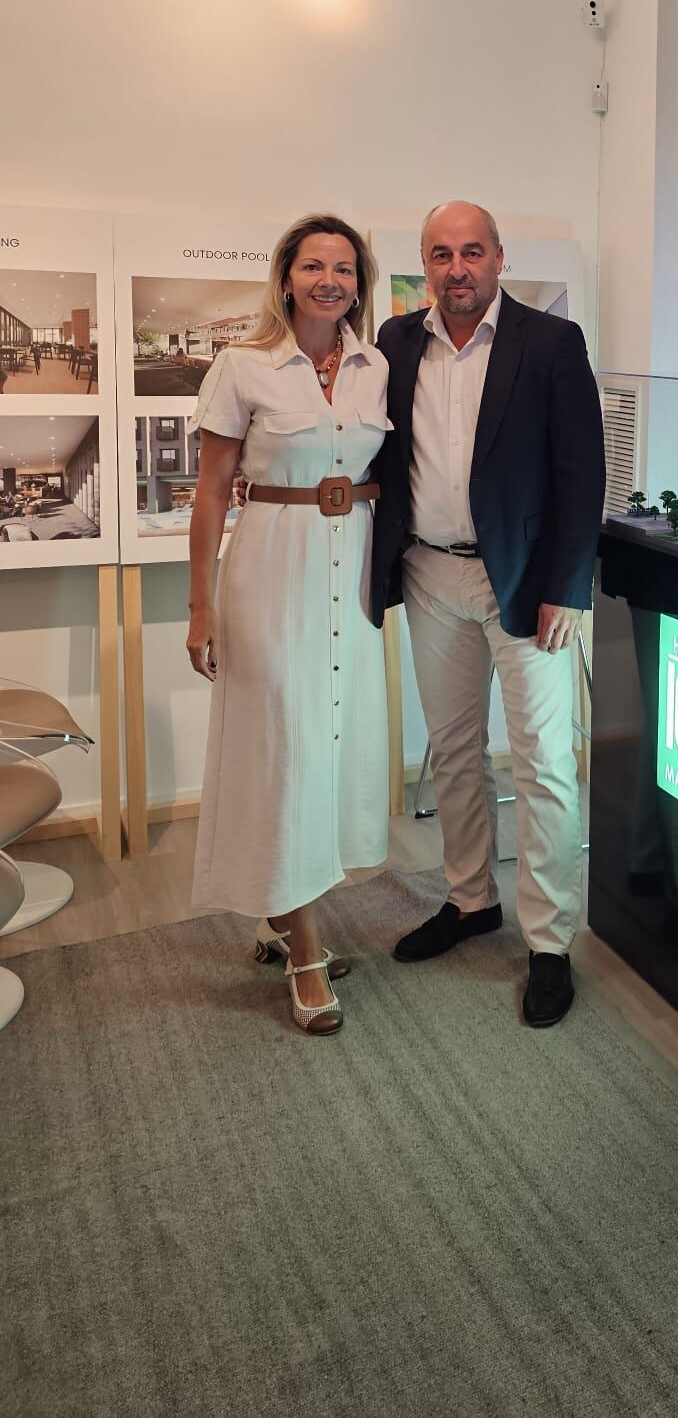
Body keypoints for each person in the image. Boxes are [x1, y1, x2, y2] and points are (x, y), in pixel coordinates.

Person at [369, 200, 605, 1028]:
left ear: (500, 258)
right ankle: (471, 901)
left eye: (472, 252)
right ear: (424, 264)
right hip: (430, 573)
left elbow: (583, 474)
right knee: (455, 750)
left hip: (526, 584)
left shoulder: (550, 343)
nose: (457, 268)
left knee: (544, 763)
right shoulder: (396, 343)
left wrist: (569, 588)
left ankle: (549, 942)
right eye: (441, 254)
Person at [185, 214, 390, 1036]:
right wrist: (200, 605)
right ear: (286, 277)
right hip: (270, 575)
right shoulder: (242, 368)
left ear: (358, 283)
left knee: (332, 748)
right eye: (314, 266)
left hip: (353, 579)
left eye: (344, 269)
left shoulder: (378, 366)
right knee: (288, 750)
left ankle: (283, 908)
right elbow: (209, 492)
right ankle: (304, 949)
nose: (329, 281)